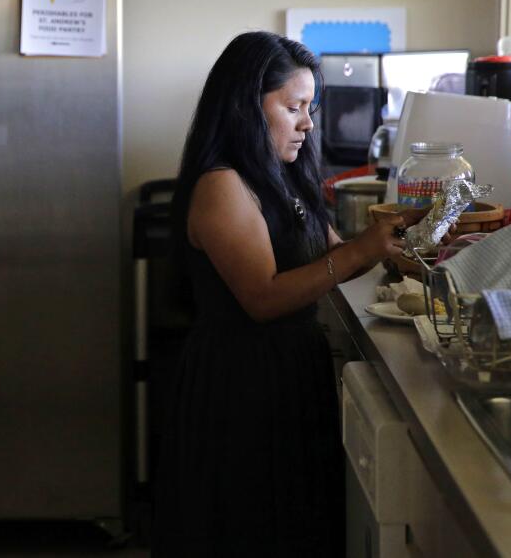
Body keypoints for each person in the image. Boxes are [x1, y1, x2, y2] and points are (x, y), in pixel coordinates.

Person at [153, 31, 405, 556]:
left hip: (289, 371)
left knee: (291, 527)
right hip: (240, 381)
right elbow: (262, 298)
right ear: (248, 106)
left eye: (309, 108)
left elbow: (332, 253)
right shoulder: (222, 185)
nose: (307, 123)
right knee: (248, 530)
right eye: (294, 107)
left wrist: (406, 246)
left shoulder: (282, 174)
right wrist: (361, 252)